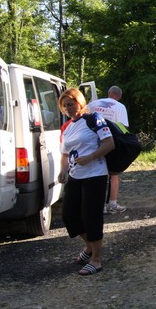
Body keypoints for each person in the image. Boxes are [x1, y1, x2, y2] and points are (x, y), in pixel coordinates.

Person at [57, 88, 115, 275]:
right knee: (69, 216)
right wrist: (63, 170)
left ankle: (96, 260)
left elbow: (109, 143)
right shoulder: (67, 127)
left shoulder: (93, 119)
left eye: (71, 104)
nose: (68, 108)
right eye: (64, 106)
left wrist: (91, 156)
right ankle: (89, 246)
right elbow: (65, 154)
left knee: (91, 217)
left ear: (79, 102)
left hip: (95, 175)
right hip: (75, 176)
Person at [87, 85, 129, 214]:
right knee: (114, 174)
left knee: (95, 174)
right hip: (111, 142)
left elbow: (84, 121)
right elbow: (123, 127)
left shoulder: (93, 104)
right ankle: (112, 205)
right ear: (119, 97)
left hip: (92, 142)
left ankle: (98, 206)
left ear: (108, 93)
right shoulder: (120, 107)